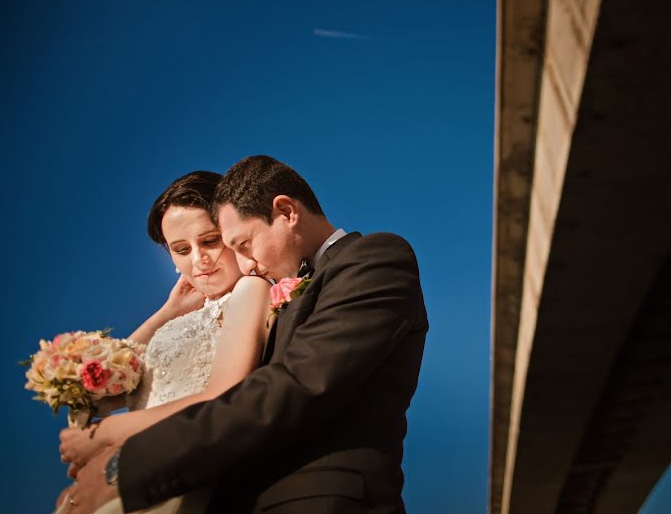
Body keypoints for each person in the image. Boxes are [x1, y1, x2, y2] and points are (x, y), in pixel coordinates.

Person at [59, 155, 429, 514]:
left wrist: (122, 467)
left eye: (242, 244)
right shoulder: (277, 287)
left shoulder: (374, 259)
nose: (247, 264)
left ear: (286, 212)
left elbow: (292, 389)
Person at [57, 170, 272, 513]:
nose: (199, 259)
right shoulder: (176, 319)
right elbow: (97, 390)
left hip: (176, 468)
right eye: (182, 249)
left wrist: (104, 435)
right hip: (125, 467)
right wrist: (166, 312)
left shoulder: (251, 289)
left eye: (211, 241)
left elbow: (222, 397)